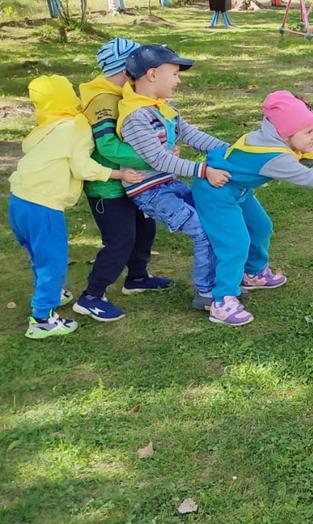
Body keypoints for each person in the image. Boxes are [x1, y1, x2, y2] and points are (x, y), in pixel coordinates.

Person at [191, 91, 313, 326]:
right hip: (216, 194)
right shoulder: (274, 156)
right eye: (308, 132)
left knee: (261, 227)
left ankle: (253, 274)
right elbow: (311, 178)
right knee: (235, 243)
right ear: (286, 134)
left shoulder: (278, 140)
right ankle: (222, 300)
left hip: (237, 190)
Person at [8, 75, 143, 338]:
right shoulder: (76, 125)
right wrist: (118, 175)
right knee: (53, 260)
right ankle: (42, 319)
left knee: (38, 253)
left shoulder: (47, 126)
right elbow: (82, 166)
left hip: (18, 201)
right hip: (43, 204)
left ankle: (52, 294)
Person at [117, 44, 232, 311]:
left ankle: (220, 284)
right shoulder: (136, 116)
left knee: (214, 220)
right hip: (151, 192)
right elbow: (157, 159)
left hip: (167, 184)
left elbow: (190, 134)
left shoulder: (161, 108)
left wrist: (231, 150)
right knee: (202, 231)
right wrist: (204, 170)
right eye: (175, 74)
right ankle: (206, 292)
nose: (178, 80)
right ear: (153, 75)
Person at [74, 38, 173, 322]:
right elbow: (107, 147)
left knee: (145, 228)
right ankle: (92, 296)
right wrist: (154, 157)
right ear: (125, 69)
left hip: (130, 181)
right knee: (120, 240)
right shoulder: (103, 99)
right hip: (107, 188)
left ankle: (137, 278)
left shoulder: (126, 93)